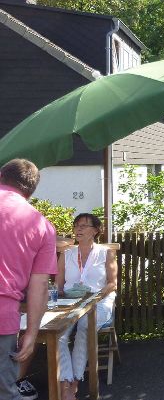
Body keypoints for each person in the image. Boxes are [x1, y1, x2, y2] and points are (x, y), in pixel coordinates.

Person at [0, 159, 57, 400]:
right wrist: (32, 334)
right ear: (31, 191)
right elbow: (40, 286)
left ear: (1, 176)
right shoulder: (42, 225)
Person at [55, 213, 117, 400]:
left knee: (84, 327)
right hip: (70, 302)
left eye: (84, 225)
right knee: (58, 334)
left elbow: (112, 284)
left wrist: (96, 298)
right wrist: (57, 298)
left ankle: (74, 383)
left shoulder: (106, 253)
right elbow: (59, 285)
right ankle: (66, 381)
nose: (78, 229)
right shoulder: (67, 254)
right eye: (76, 225)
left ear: (95, 231)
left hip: (99, 300)